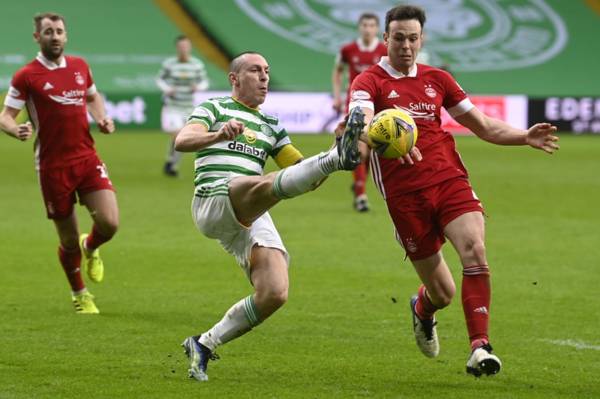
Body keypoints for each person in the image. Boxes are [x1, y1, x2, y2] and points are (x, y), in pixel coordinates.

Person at [348, 5, 559, 376]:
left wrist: (523, 136)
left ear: (422, 39)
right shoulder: (369, 82)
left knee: (475, 250)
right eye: (399, 38)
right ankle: (422, 309)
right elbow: (362, 125)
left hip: (449, 181)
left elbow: (484, 127)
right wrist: (376, 136)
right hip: (406, 197)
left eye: (413, 38)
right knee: (441, 293)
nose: (407, 46)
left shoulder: (438, 79)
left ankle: (480, 347)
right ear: (385, 39)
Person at [175, 51, 363, 381]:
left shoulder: (272, 126)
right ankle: (335, 158)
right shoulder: (215, 108)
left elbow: (307, 178)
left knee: (275, 292)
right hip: (214, 198)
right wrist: (218, 134)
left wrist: (336, 144)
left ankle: (203, 344)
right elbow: (183, 140)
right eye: (255, 71)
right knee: (261, 183)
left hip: (251, 208)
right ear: (234, 78)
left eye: (267, 71)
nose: (264, 77)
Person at [0, 13, 118, 314]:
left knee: (110, 223)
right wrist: (16, 130)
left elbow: (92, 97)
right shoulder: (26, 76)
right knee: (67, 241)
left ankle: (90, 246)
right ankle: (80, 294)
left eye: (60, 31)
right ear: (37, 37)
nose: (55, 36)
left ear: (66, 36)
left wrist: (101, 117)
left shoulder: (80, 67)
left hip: (86, 157)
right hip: (53, 167)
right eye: (48, 32)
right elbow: (6, 115)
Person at [332, 13, 387, 212]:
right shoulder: (348, 50)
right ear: (359, 27)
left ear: (377, 29)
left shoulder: (384, 50)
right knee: (361, 150)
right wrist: (337, 96)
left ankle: (359, 184)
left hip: (380, 106)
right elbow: (337, 71)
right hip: (356, 104)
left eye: (371, 25)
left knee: (373, 151)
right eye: (364, 25)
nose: (367, 28)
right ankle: (362, 195)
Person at [156, 35, 209, 177]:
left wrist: (198, 87)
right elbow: (160, 79)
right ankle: (171, 163)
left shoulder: (197, 65)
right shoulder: (170, 64)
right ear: (177, 48)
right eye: (181, 46)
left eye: (186, 46)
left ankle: (171, 164)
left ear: (190, 47)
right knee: (178, 135)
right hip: (172, 106)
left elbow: (204, 82)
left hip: (188, 107)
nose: (183, 49)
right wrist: (167, 88)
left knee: (182, 137)